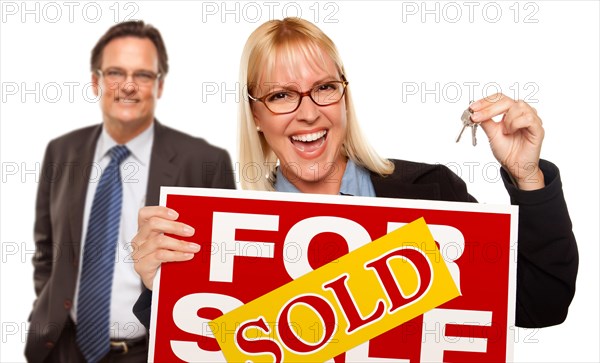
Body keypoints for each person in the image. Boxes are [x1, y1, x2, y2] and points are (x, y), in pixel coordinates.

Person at [131, 17, 577, 332]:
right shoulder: (216, 234)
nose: (308, 113)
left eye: (324, 88)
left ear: (344, 96)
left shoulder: (431, 193)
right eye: (282, 95)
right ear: (256, 115)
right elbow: (203, 345)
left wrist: (526, 175)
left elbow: (542, 303)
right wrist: (160, 287)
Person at [26, 20, 235, 363]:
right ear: (95, 81)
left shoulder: (205, 162)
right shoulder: (61, 151)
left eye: (142, 75)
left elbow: (221, 274)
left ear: (160, 85)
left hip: (152, 350)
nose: (128, 86)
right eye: (115, 73)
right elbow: (46, 249)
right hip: (64, 348)